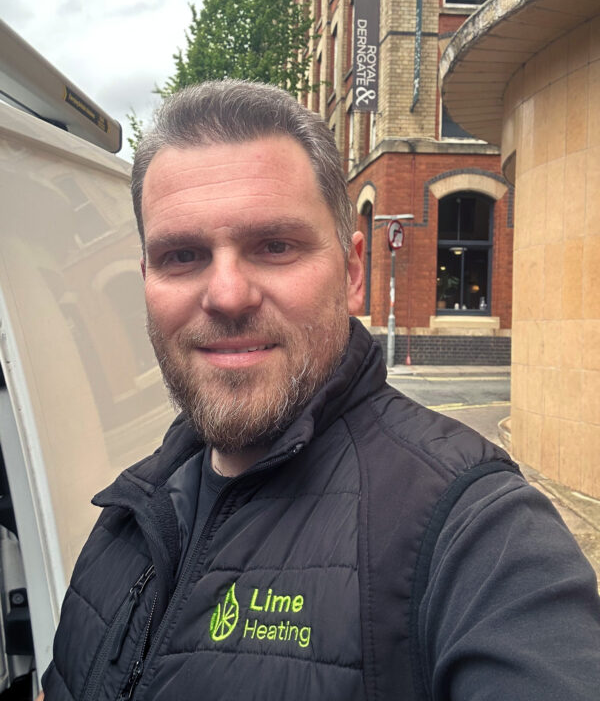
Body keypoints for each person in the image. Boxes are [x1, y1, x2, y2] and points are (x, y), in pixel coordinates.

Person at [41, 80, 600, 701]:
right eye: (183, 255)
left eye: (274, 246)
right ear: (146, 279)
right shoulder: (126, 515)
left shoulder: (476, 532)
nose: (227, 295)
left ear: (354, 271)